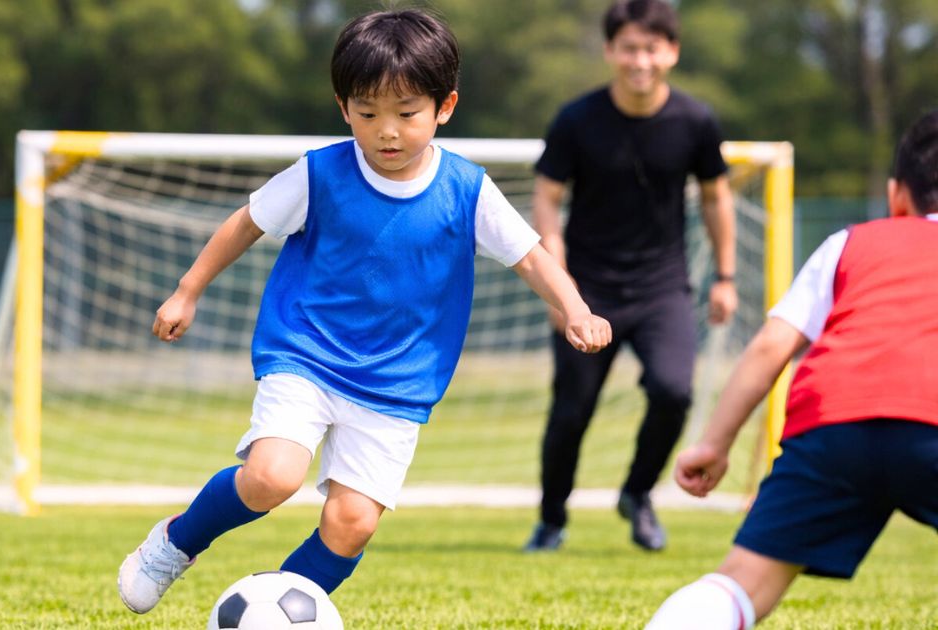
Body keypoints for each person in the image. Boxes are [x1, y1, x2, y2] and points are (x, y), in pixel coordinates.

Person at [117, 8, 612, 614]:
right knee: (272, 476)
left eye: (407, 114)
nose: (388, 132)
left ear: (444, 107)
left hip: (398, 383)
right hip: (305, 354)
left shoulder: (468, 189)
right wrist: (187, 290)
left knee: (351, 523)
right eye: (368, 113)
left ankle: (277, 610)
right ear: (343, 107)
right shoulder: (320, 174)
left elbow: (531, 257)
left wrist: (576, 308)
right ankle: (175, 542)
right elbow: (246, 223)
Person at [645, 109, 938, 628]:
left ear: (898, 195)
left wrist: (714, 443)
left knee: (741, 582)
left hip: (833, 423)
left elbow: (769, 347)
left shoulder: (851, 243)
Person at [524, 0, 736, 553]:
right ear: (610, 51)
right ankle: (551, 519)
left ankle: (638, 494)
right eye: (629, 47)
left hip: (662, 286)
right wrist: (560, 286)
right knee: (572, 412)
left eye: (652, 47)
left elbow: (717, 198)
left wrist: (726, 276)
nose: (640, 60)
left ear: (671, 52)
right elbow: (546, 199)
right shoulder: (576, 119)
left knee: (674, 391)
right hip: (587, 288)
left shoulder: (696, 121)